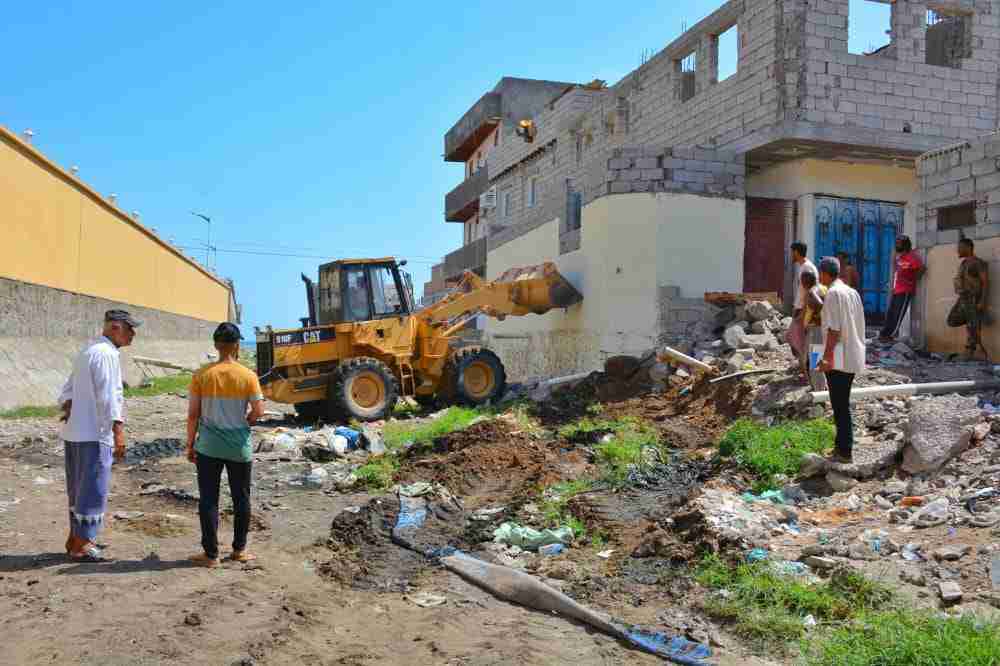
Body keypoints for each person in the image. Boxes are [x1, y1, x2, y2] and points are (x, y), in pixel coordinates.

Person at [57, 309, 140, 561]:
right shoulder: (106, 354)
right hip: (94, 433)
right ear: (115, 327)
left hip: (75, 432)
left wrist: (70, 411)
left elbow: (67, 392)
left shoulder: (89, 351)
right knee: (93, 488)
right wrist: (118, 432)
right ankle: (83, 544)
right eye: (129, 329)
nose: (133, 334)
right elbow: (108, 396)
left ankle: (75, 538)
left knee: (78, 488)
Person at [187, 323, 265, 567]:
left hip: (208, 447)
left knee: (208, 499)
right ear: (237, 345)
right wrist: (246, 421)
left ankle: (211, 555)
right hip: (238, 446)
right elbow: (259, 411)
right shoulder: (248, 375)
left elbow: (193, 414)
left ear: (216, 345)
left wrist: (190, 444)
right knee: (241, 498)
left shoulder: (202, 375)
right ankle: (239, 550)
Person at [816, 257, 866, 463]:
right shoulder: (852, 292)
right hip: (851, 355)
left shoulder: (833, 294)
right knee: (841, 403)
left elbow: (834, 330)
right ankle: (841, 446)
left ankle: (844, 451)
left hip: (838, 357)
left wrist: (826, 357)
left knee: (839, 406)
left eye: (820, 273)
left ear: (824, 273)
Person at [947, 237, 989, 360]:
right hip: (963, 299)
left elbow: (985, 282)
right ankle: (975, 323)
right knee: (952, 320)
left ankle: (971, 352)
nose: (958, 250)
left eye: (960, 248)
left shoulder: (978, 263)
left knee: (972, 326)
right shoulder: (964, 263)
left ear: (968, 248)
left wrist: (982, 301)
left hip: (973, 299)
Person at [878, 235, 925, 343]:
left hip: (905, 290)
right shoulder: (899, 257)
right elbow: (895, 270)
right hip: (897, 289)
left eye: (899, 243)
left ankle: (890, 335)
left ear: (905, 244)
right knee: (890, 313)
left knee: (898, 314)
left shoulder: (912, 257)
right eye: (896, 243)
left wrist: (913, 279)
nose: (897, 245)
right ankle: (884, 333)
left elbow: (922, 268)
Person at [787, 242, 818, 370]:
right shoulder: (804, 267)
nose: (791, 255)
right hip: (802, 308)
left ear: (796, 252)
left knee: (796, 339)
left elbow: (808, 293)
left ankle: (806, 368)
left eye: (792, 252)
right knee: (797, 339)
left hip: (804, 309)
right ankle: (804, 367)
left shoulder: (807, 268)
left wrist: (802, 312)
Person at [801, 271, 828, 391]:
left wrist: (805, 325)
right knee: (818, 359)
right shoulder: (823, 288)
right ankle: (822, 387)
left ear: (805, 282)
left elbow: (818, 305)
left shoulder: (812, 292)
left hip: (816, 329)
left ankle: (819, 391)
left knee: (815, 361)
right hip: (825, 328)